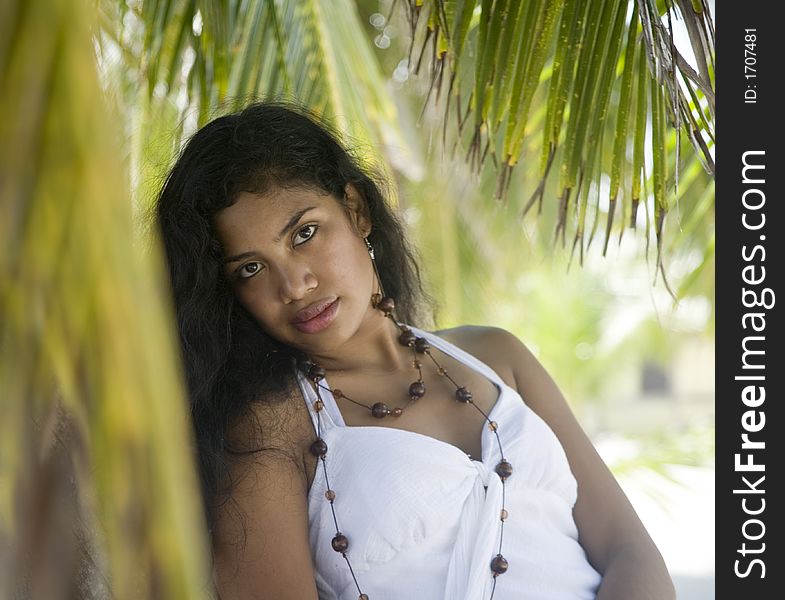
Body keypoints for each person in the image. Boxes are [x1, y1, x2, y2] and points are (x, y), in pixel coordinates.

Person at [153, 101, 675, 600]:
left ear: (355, 211)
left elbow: (631, 552)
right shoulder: (272, 426)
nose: (292, 285)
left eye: (304, 233)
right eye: (250, 268)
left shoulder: (495, 355)